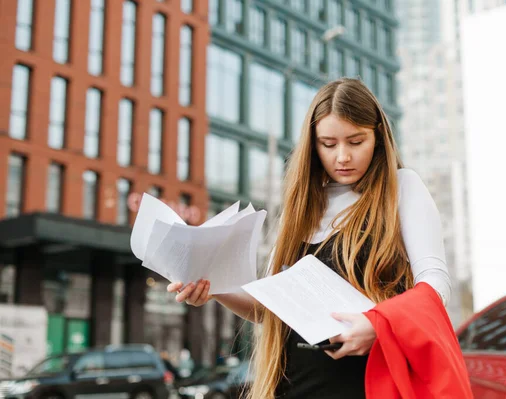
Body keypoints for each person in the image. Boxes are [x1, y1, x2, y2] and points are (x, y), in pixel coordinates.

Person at [167, 78, 457, 399]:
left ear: (378, 137)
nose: (342, 157)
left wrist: (379, 325)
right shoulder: (304, 205)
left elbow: (435, 284)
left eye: (356, 141)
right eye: (329, 144)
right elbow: (271, 312)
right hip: (293, 387)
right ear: (313, 144)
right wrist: (214, 289)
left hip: (368, 384)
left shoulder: (401, 187)